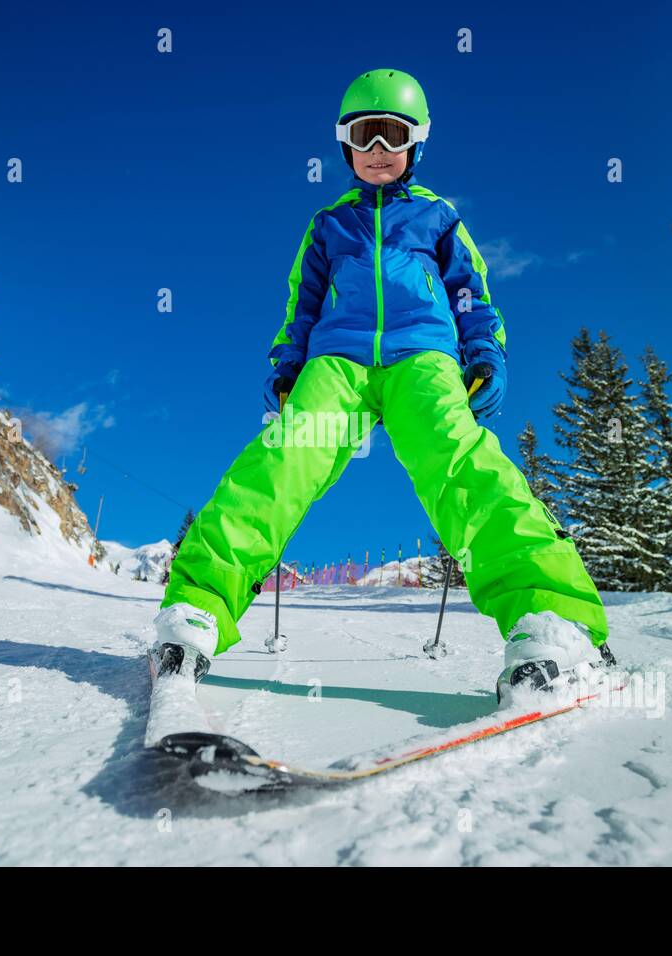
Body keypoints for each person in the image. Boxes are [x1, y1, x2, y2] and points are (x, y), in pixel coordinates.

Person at [153, 69, 611, 706]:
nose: (376, 150)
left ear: (415, 144)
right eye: (363, 136)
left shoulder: (437, 217)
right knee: (283, 459)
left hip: (424, 355)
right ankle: (199, 604)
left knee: (459, 461)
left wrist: (484, 350)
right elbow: (301, 306)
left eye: (391, 136)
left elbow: (471, 293)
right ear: (345, 145)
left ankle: (553, 617)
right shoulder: (328, 226)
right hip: (336, 361)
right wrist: (288, 365)